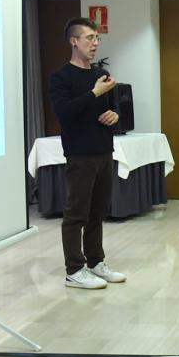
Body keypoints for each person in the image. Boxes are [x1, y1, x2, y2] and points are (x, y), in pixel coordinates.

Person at [49, 17, 126, 290]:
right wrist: (94, 94)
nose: (94, 44)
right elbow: (65, 113)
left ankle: (95, 262)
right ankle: (74, 269)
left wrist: (114, 115)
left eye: (97, 39)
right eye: (89, 38)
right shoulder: (61, 77)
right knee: (76, 214)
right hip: (79, 153)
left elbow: (117, 110)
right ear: (74, 41)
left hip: (104, 150)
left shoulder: (100, 75)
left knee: (98, 211)